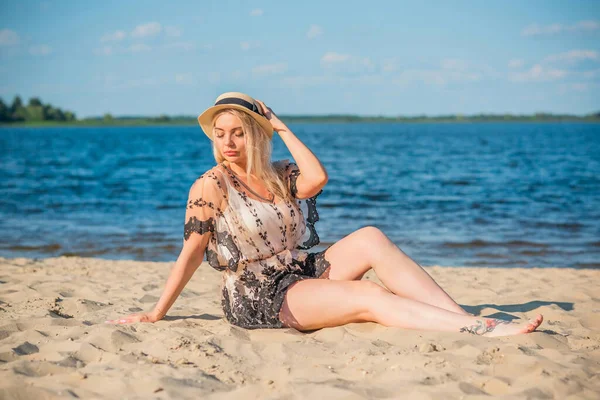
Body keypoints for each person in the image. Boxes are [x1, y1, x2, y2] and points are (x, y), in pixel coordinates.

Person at [107, 92, 543, 337]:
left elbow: (317, 178)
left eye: (238, 132)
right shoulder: (210, 184)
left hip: (300, 271)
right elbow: (190, 253)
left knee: (371, 235)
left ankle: (465, 319)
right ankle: (478, 331)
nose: (228, 143)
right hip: (260, 296)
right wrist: (156, 313)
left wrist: (278, 124)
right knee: (370, 299)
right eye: (220, 135)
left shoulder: (279, 173)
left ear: (256, 135)